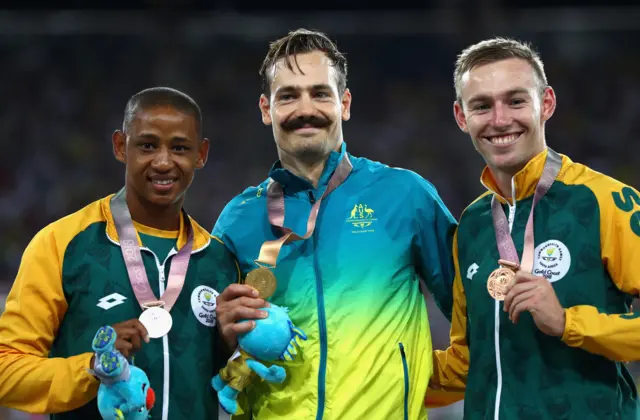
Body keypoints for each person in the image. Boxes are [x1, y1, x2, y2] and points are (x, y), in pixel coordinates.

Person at [212, 28, 457, 420]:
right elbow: (205, 347)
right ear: (265, 109)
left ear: (344, 103)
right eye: (288, 95)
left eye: (320, 93)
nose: (305, 108)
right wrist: (221, 336)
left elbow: (472, 312)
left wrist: (426, 379)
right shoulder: (238, 219)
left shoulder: (405, 196)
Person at [427, 37, 640, 419]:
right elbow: (466, 365)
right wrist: (368, 370)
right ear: (461, 117)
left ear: (547, 104)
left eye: (516, 100)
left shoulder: (605, 201)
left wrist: (568, 322)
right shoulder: (471, 225)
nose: (499, 119)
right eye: (482, 106)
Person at [0, 87, 239, 420]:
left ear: (201, 154)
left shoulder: (218, 260)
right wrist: (92, 368)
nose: (163, 161)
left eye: (180, 148)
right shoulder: (62, 243)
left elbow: (223, 382)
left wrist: (230, 347)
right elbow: (7, 370)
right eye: (147, 145)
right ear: (120, 146)